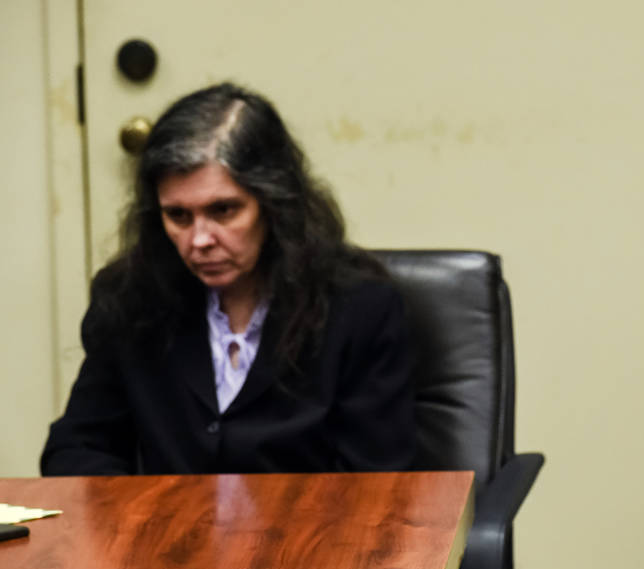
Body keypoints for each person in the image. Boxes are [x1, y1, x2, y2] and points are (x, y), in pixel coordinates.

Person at [41, 83, 416, 475]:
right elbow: (78, 449)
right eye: (178, 216)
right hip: (161, 533)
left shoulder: (359, 305)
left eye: (223, 210)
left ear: (274, 203)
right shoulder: (131, 297)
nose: (199, 240)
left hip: (310, 533)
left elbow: (379, 477)